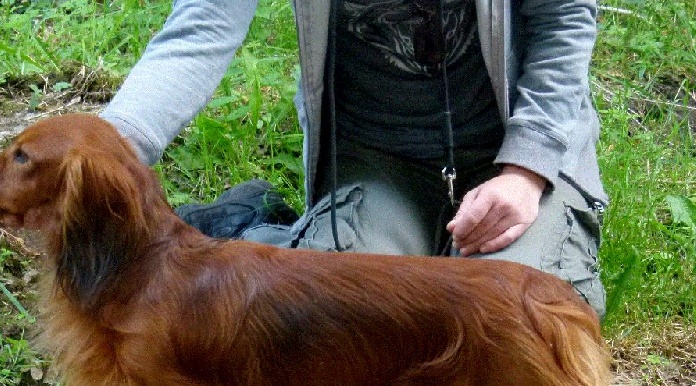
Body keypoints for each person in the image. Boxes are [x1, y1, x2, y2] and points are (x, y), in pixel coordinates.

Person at [101, 0, 608, 317]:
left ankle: (257, 237)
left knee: (525, 320)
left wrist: (525, 170)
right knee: (323, 324)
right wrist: (103, 152)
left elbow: (564, 19)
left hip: (510, 155)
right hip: (378, 160)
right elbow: (203, 25)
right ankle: (258, 234)